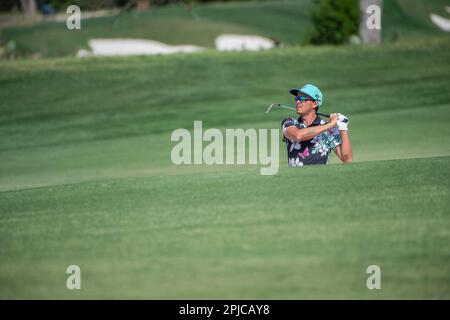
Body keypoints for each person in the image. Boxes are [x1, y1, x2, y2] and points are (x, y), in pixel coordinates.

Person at [281, 84, 353, 166]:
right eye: (297, 98)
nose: (298, 102)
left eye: (302, 99)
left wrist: (343, 128)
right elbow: (298, 136)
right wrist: (330, 125)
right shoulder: (289, 122)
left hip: (320, 177)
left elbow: (347, 159)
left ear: (315, 104)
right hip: (295, 178)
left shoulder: (329, 129)